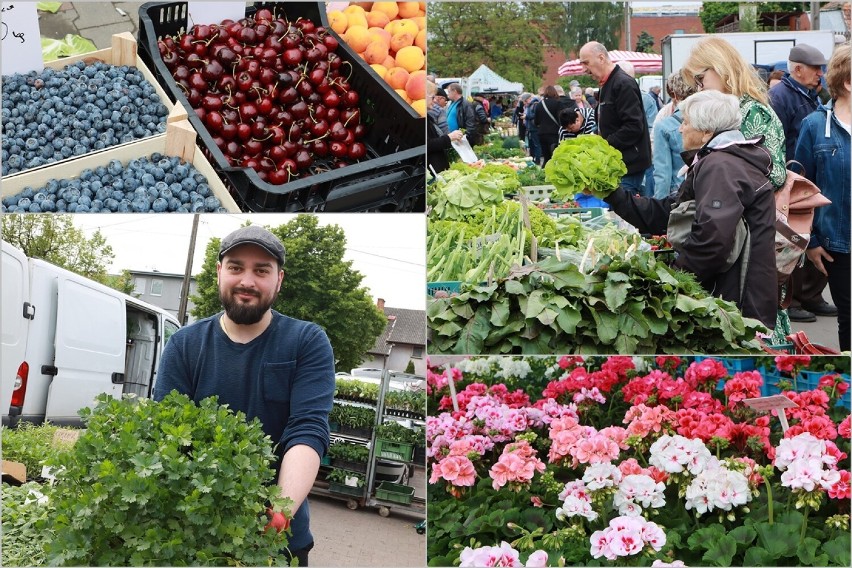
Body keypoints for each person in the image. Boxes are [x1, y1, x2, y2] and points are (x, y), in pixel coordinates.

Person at [153, 225, 336, 567]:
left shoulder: (306, 341)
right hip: (194, 537)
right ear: (219, 272)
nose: (247, 281)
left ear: (279, 279)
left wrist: (281, 511)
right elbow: (165, 437)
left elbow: (308, 429)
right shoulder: (186, 344)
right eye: (236, 267)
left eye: (261, 270)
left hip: (279, 538)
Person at [603, 90, 777, 329]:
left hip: (736, 303)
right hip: (735, 295)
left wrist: (674, 278)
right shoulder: (720, 159)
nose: (680, 129)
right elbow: (670, 212)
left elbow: (712, 240)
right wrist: (614, 195)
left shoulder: (720, 166)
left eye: (685, 122)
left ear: (706, 132)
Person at [681, 36, 791, 340]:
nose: (699, 88)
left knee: (751, 330)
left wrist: (720, 172)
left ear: (720, 68)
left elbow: (773, 173)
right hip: (733, 239)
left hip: (750, 244)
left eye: (700, 79)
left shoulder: (752, 111)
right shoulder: (728, 106)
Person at [768, 44, 836, 323]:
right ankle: (792, 298)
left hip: (808, 179)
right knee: (795, 239)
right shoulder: (780, 96)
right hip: (791, 183)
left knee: (813, 234)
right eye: (815, 69)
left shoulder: (809, 95)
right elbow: (776, 141)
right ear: (797, 70)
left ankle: (811, 295)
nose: (820, 74)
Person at [793, 44, 851, 350]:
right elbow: (801, 189)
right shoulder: (815, 126)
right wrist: (811, 242)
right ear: (848, 82)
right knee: (850, 319)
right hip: (838, 244)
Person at [578, 42, 651, 194]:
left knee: (625, 214)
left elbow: (633, 126)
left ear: (601, 58)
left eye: (586, 63)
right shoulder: (607, 84)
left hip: (628, 166)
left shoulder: (623, 83)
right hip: (617, 164)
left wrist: (604, 144)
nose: (584, 69)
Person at [652, 72, 697, 199]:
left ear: (675, 94)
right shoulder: (709, 118)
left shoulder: (664, 126)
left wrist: (658, 206)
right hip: (703, 189)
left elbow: (662, 174)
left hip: (678, 193)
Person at [427, 81, 464, 174]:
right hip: (432, 169)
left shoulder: (428, 117)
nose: (435, 100)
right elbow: (428, 145)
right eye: (433, 97)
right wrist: (449, 137)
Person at [534, 85, 565, 165]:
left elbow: (536, 121)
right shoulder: (558, 103)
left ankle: (545, 173)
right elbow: (562, 118)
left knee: (546, 157)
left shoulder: (539, 104)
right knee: (555, 157)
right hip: (555, 133)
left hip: (542, 133)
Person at [524, 94, 543, 164]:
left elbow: (536, 115)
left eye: (525, 102)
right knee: (532, 144)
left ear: (529, 99)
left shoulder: (535, 104)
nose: (525, 104)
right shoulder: (530, 105)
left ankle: (537, 160)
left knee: (537, 144)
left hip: (535, 128)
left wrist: (526, 116)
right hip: (531, 128)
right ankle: (533, 159)